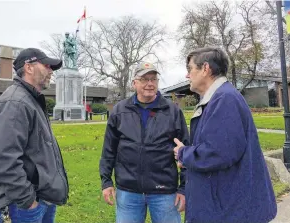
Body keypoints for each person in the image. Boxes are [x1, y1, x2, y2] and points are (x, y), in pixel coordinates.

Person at [173, 47, 277, 223]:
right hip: (226, 206)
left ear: (205, 69)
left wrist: (183, 153)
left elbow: (219, 152)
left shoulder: (224, 100)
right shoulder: (220, 98)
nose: (187, 75)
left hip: (229, 211)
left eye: (190, 69)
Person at [99, 62, 189, 223]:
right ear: (134, 83)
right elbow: (108, 150)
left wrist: (184, 187)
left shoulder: (173, 111)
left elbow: (186, 152)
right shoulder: (120, 111)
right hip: (128, 191)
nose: (150, 84)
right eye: (144, 79)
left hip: (164, 192)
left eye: (153, 79)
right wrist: (106, 181)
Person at [0, 48, 69, 223]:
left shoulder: (31, 100)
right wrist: (28, 201)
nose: (51, 72)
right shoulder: (15, 103)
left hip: (40, 200)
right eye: (47, 66)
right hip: (20, 207)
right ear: (29, 67)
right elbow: (4, 160)